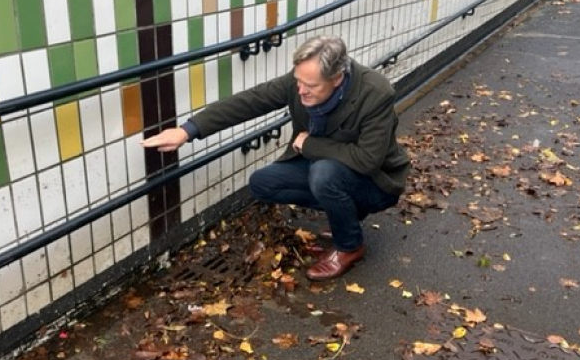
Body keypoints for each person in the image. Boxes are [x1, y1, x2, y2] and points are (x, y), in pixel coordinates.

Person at [141, 36, 410, 280]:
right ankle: (347, 212)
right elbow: (252, 100)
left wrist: (310, 144)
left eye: (310, 85)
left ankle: (350, 246)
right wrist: (187, 131)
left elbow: (367, 159)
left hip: (375, 182)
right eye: (298, 81)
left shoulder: (375, 92)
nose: (301, 90)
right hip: (330, 168)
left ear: (337, 78)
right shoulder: (302, 82)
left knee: (325, 175)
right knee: (264, 184)